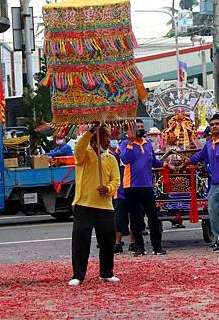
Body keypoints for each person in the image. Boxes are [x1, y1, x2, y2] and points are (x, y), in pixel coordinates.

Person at [68, 125, 121, 286]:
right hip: (83, 205)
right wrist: (91, 131)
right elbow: (79, 147)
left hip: (105, 207)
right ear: (95, 140)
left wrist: (108, 189)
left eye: (108, 137)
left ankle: (106, 272)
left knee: (107, 241)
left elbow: (116, 181)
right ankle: (78, 275)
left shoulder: (111, 158)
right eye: (105, 137)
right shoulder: (83, 155)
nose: (108, 141)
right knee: (80, 242)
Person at [184, 114, 219, 252]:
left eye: (217, 124)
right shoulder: (209, 144)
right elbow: (199, 156)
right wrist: (185, 162)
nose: (214, 126)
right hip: (215, 183)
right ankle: (217, 239)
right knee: (212, 210)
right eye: (212, 124)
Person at [120, 119, 167, 256]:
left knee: (153, 217)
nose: (140, 129)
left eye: (141, 127)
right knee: (135, 219)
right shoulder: (125, 144)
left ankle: (157, 247)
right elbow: (125, 160)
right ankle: (139, 247)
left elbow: (154, 162)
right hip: (131, 186)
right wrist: (130, 142)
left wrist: (164, 164)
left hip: (147, 185)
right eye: (137, 127)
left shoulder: (148, 144)